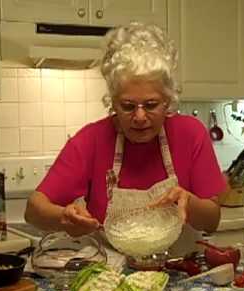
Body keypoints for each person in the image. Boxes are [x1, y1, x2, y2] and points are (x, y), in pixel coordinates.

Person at [25, 22, 226, 256]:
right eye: (128, 106)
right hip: (111, 278)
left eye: (151, 105)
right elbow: (33, 210)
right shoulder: (91, 140)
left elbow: (212, 221)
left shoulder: (190, 134)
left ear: (168, 101)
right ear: (112, 102)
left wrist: (189, 201)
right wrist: (64, 218)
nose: (140, 117)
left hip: (180, 272)